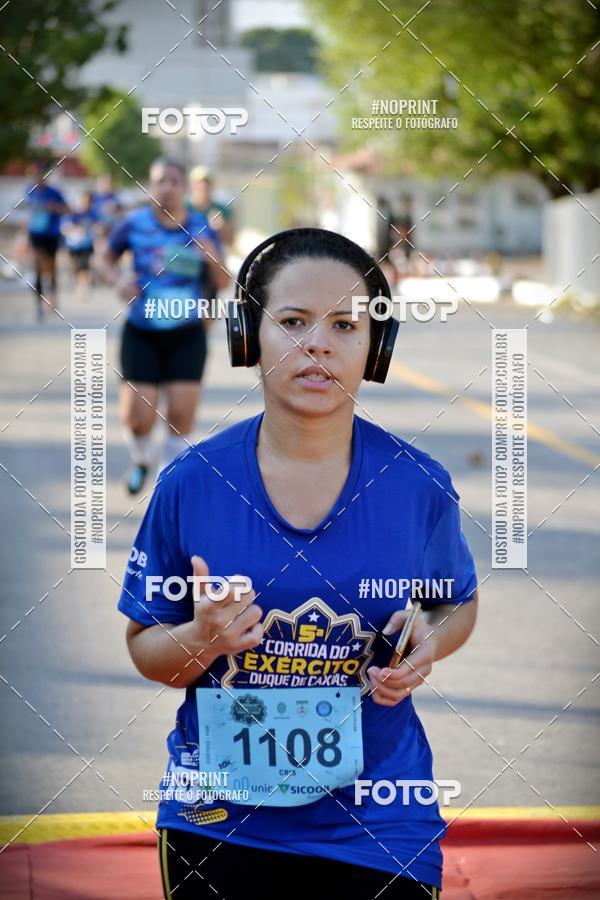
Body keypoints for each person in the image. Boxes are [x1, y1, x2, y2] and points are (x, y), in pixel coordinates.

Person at [118, 228, 478, 899]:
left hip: (381, 821)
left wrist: (426, 636)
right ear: (248, 337)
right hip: (219, 819)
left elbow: (450, 601)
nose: (318, 343)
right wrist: (200, 641)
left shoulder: (416, 486)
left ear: (377, 348)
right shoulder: (189, 485)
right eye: (292, 322)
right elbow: (145, 645)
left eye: (345, 324)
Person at [101, 158, 229, 495]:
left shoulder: (202, 227)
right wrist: (117, 280)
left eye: (174, 181)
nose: (167, 187)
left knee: (181, 419)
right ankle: (142, 458)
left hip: (187, 334)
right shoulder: (133, 223)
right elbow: (105, 258)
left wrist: (211, 256)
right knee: (137, 417)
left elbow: (223, 279)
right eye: (160, 181)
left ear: (184, 188)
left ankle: (167, 484)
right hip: (142, 332)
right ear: (151, 186)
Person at [24, 159, 69, 320]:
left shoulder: (54, 192)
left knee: (50, 270)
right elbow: (28, 212)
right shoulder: (30, 191)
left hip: (52, 235)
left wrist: (55, 208)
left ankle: (53, 298)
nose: (35, 177)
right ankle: (39, 306)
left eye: (38, 173)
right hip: (36, 235)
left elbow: (68, 209)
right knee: (37, 269)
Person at [61, 190, 97, 300]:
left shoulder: (93, 214)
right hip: (74, 245)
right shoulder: (74, 214)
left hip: (87, 245)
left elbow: (99, 226)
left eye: (89, 202)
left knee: (85, 267)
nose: (87, 204)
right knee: (76, 268)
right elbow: (64, 228)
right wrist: (74, 230)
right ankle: (79, 286)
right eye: (85, 201)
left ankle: (84, 288)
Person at [188, 165, 234, 248]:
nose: (203, 186)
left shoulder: (222, 209)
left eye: (207, 183)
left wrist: (221, 228)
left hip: (215, 253)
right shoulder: (183, 206)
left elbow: (230, 242)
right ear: (191, 184)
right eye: (199, 182)